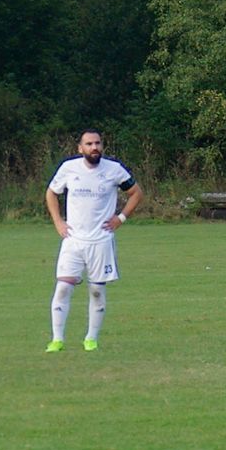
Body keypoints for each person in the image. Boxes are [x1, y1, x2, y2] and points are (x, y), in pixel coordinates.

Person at [44, 129, 144, 352]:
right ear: (80, 148)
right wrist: (58, 221)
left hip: (101, 241)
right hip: (73, 240)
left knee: (97, 291)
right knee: (62, 289)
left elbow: (136, 193)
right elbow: (51, 193)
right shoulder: (69, 168)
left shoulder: (113, 170)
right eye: (89, 144)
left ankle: (91, 338)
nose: (94, 148)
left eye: (97, 143)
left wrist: (121, 218)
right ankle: (57, 339)